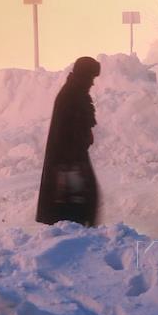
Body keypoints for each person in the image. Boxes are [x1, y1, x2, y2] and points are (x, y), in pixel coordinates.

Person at [36, 56, 101, 227]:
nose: (92, 83)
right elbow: (67, 132)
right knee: (78, 201)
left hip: (73, 158)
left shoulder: (74, 93)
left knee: (80, 201)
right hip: (70, 160)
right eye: (91, 78)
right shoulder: (71, 95)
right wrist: (70, 163)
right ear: (84, 76)